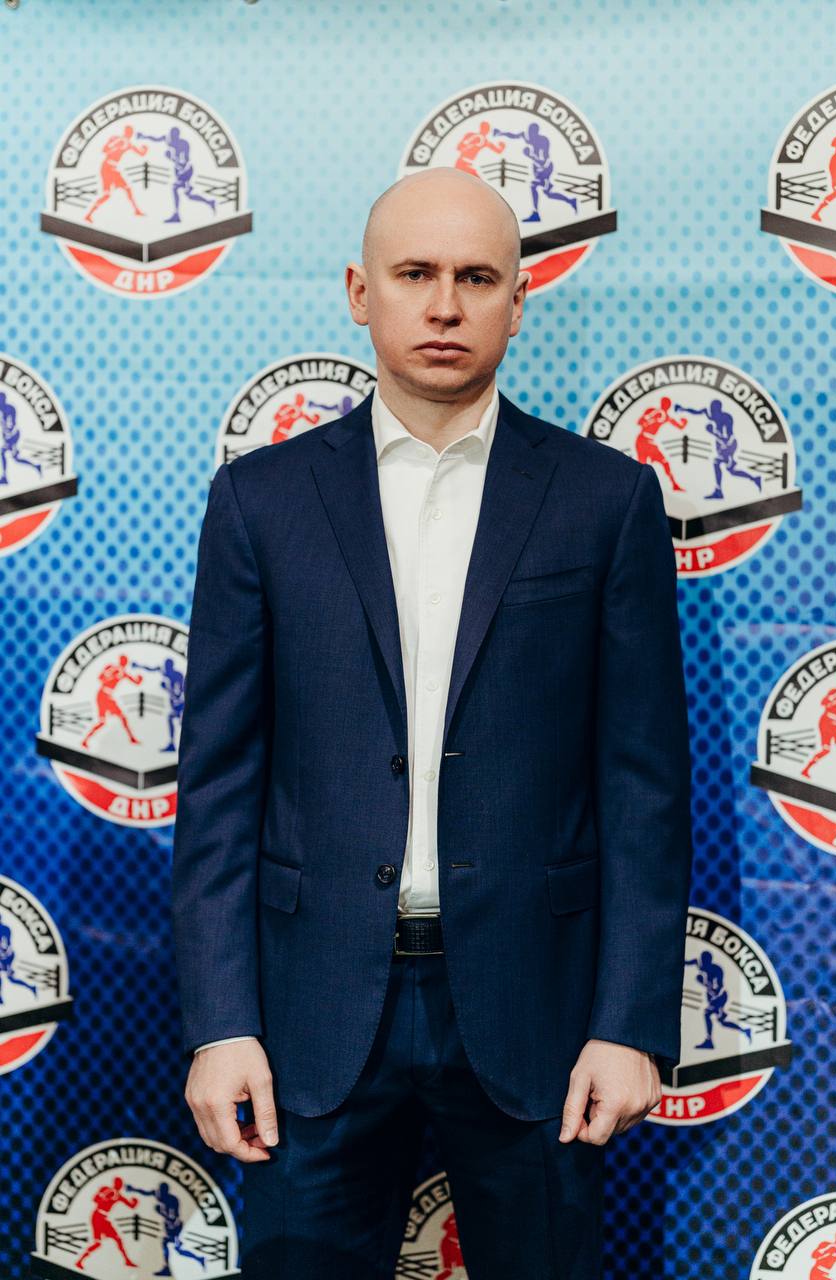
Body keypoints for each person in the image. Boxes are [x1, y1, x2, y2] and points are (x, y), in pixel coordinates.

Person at [170, 165, 693, 1279]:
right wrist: (220, 1022)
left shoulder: (605, 500)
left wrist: (629, 1022)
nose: (444, 305)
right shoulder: (261, 502)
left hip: (537, 1012)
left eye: (475, 277)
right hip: (311, 1015)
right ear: (361, 293)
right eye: (414, 274)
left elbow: (642, 784)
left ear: (518, 300)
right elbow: (218, 785)